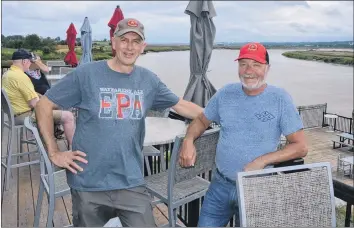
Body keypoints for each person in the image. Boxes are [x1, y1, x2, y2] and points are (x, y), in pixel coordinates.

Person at [34, 18, 203, 227]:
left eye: (135, 41)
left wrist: (217, 117)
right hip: (88, 182)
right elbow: (43, 105)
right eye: (124, 40)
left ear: (143, 46)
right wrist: (53, 152)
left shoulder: (149, 80)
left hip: (130, 181)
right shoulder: (87, 74)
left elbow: (181, 106)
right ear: (113, 42)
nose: (129, 47)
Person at [178, 42, 308, 227]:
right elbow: (200, 120)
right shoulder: (225, 94)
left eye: (256, 64)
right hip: (220, 186)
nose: (249, 70)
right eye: (243, 64)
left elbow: (300, 146)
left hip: (257, 188)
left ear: (267, 68)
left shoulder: (280, 99)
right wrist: (189, 140)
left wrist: (262, 161)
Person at [2, 49, 76, 147]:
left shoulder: (7, 74)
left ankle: (50, 138)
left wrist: (43, 97)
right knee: (68, 116)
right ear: (24, 61)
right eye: (29, 61)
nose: (30, 64)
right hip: (26, 116)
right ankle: (73, 149)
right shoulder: (21, 77)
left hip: (15, 115)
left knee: (56, 107)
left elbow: (27, 94)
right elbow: (35, 104)